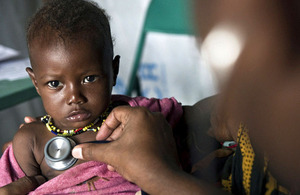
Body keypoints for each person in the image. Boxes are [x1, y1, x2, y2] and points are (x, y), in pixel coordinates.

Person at [0, 0, 183, 194]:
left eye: (89, 78)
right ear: (35, 82)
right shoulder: (31, 141)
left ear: (113, 71)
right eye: (55, 84)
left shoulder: (139, 119)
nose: (74, 97)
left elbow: (198, 117)